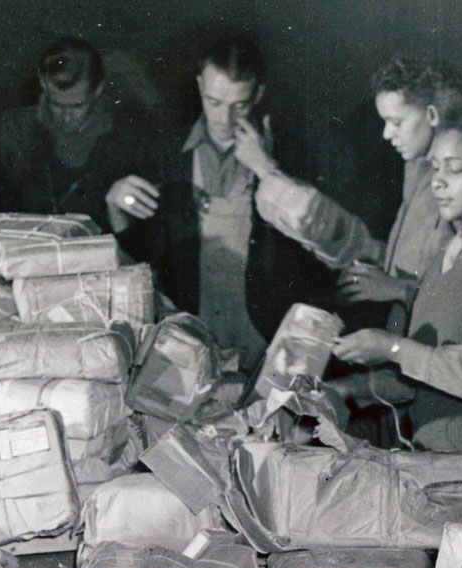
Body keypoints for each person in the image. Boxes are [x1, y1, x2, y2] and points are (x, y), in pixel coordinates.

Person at [329, 92, 462, 457]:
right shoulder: (447, 254)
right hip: (429, 452)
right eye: (435, 167)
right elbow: (424, 377)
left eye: (456, 169)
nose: (438, 182)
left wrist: (392, 347)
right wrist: (350, 388)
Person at [122, 37, 329, 366]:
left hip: (264, 332)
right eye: (213, 101)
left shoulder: (288, 153)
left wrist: (269, 169)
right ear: (200, 85)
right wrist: (117, 207)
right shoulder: (166, 153)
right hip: (190, 330)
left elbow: (320, 254)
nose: (223, 118)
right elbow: (141, 254)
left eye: (240, 105)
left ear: (258, 94)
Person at [247, 56, 460, 325]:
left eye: (396, 122)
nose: (386, 134)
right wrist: (371, 276)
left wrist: (394, 289)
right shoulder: (416, 172)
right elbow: (409, 261)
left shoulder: (456, 189)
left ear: (432, 115)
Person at [0, 37, 164, 242]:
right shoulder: (16, 132)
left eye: (77, 106)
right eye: (56, 104)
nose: (66, 117)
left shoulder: (131, 138)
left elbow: (148, 236)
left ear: (98, 89)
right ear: (43, 84)